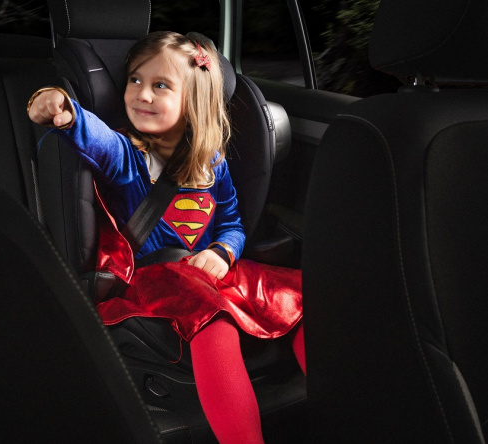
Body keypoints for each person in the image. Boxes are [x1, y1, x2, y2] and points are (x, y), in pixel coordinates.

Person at [28, 30, 304, 444]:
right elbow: (96, 138)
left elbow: (231, 223)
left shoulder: (213, 164)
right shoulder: (128, 156)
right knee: (210, 315)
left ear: (194, 101)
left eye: (160, 85)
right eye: (134, 80)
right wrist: (63, 108)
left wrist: (223, 252)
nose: (141, 94)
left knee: (300, 296)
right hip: (155, 279)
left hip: (211, 273)